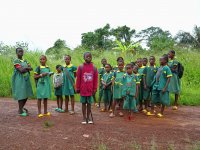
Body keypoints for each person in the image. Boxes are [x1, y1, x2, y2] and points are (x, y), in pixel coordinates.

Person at [76, 52, 98, 124]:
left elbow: (95, 79)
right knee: (83, 103)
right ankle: (84, 117)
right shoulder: (81, 67)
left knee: (89, 103)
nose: (88, 57)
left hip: (90, 89)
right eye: (87, 56)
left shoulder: (94, 68)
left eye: (90, 56)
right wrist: (77, 87)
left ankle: (88, 117)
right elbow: (78, 78)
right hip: (83, 89)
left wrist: (95, 88)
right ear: (84, 58)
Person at [12, 47, 33, 117]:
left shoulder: (25, 60)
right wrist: (27, 68)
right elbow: (21, 70)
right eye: (19, 51)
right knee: (21, 94)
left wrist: (25, 68)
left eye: (21, 51)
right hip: (19, 79)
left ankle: (20, 108)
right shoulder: (16, 61)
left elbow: (31, 68)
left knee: (26, 94)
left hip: (26, 78)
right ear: (16, 53)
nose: (21, 52)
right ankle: (20, 111)